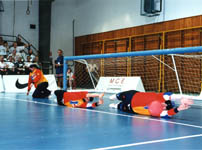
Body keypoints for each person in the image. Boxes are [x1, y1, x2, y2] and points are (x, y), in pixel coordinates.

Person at [109, 90, 193, 118]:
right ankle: (114, 97)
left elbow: (167, 114)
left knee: (120, 106)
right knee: (119, 96)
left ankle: (115, 105)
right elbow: (169, 95)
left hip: (132, 108)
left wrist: (178, 109)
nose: (164, 107)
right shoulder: (161, 97)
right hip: (133, 95)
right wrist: (181, 98)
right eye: (166, 104)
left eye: (166, 107)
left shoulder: (158, 111)